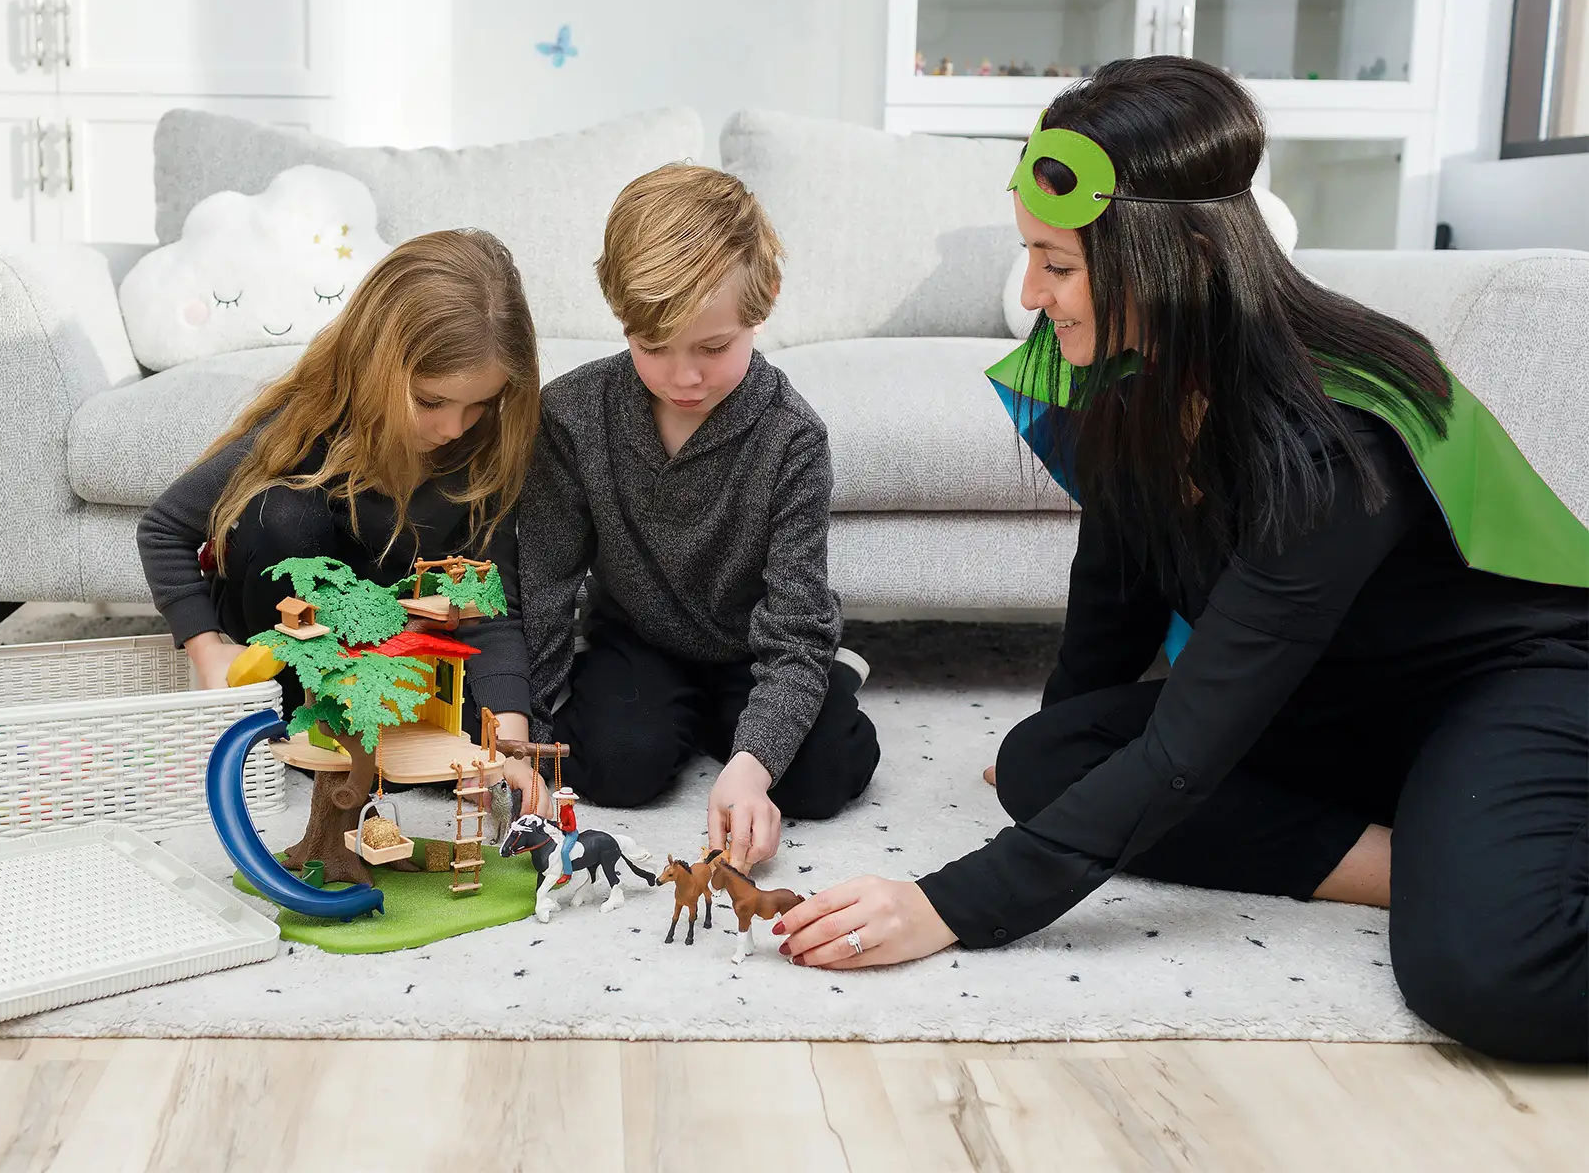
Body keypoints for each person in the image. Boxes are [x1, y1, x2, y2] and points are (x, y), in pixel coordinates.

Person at [778, 57, 1588, 1064]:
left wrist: (950, 905)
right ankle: (1412, 859)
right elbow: (1117, 580)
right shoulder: (1131, 372)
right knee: (1046, 764)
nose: (1032, 295)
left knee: (1489, 975)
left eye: (1058, 267)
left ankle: (1478, 865)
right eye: (1031, 258)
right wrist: (1068, 720)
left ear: (1183, 260)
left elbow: (1191, 748)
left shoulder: (1335, 433)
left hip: (1499, 692)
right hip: (1330, 696)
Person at [516, 163, 880, 868]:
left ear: (765, 299)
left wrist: (753, 763)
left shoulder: (792, 438)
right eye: (653, 347)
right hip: (639, 641)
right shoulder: (572, 416)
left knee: (822, 775)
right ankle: (723, 725)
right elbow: (546, 586)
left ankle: (804, 693)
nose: (685, 376)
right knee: (619, 766)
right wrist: (528, 732)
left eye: (713, 347)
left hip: (758, 646)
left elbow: (795, 619)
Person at [137, 229, 543, 794]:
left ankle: (364, 716)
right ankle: (291, 713)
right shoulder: (309, 426)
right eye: (430, 402)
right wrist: (206, 651)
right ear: (379, 368)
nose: (453, 428)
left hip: (388, 642)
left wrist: (511, 742)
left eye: (478, 406)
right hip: (283, 634)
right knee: (283, 513)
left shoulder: (482, 450)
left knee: (461, 749)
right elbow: (163, 530)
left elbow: (488, 604)